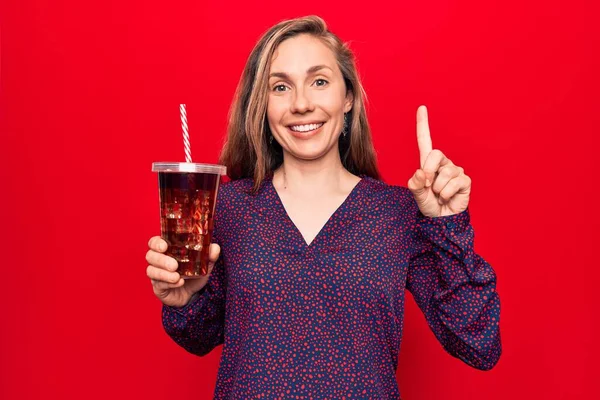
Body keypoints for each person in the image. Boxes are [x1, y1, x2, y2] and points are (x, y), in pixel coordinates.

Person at [145, 15, 501, 399]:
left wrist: (447, 224)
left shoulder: (399, 213)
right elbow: (198, 339)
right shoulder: (228, 207)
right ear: (262, 105)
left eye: (319, 81)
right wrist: (187, 298)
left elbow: (479, 344)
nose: (301, 103)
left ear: (347, 97)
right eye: (280, 87)